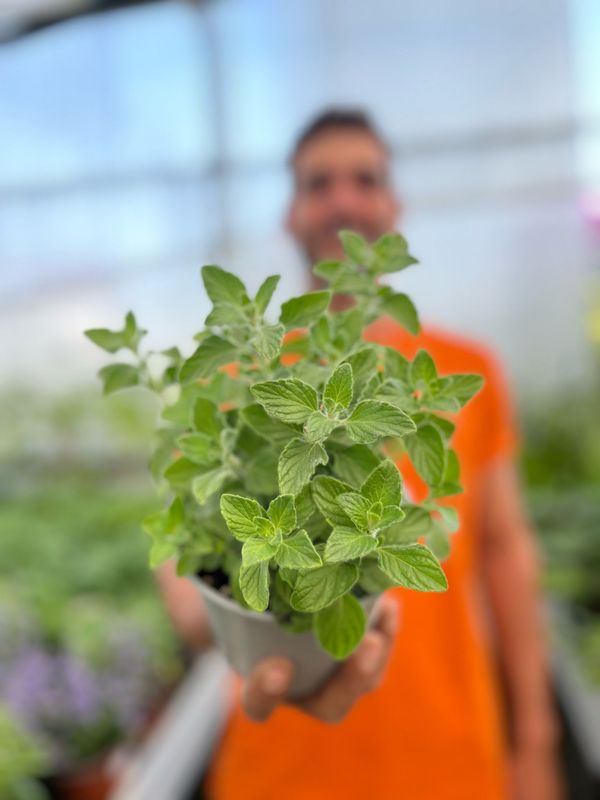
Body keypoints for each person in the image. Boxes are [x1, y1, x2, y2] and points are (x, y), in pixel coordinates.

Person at [158, 109, 563, 800]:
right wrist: (215, 619)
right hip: (279, 767)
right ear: (291, 214)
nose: (342, 198)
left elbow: (505, 551)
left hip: (448, 758)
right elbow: (182, 538)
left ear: (392, 208)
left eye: (364, 179)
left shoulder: (466, 370)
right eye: (319, 184)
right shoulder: (243, 378)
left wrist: (536, 740)